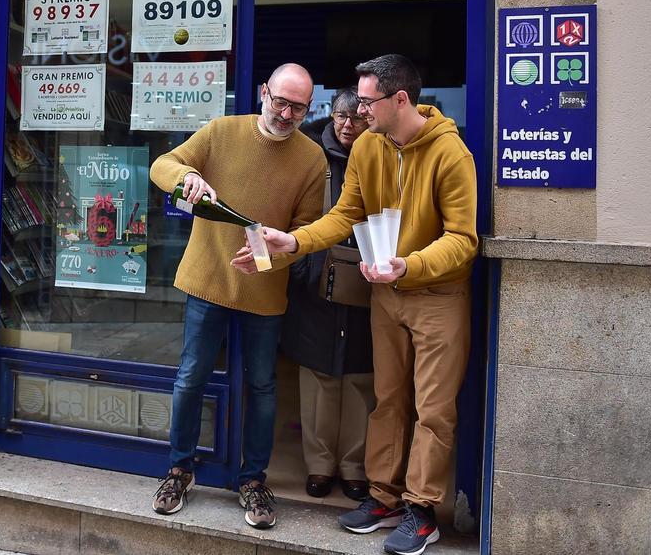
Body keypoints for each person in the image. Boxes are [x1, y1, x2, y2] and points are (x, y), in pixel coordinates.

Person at [233, 55, 477, 555]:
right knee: (388, 400)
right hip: (386, 295)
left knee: (433, 409)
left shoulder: (452, 154)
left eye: (367, 101)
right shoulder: (368, 146)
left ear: (400, 100)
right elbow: (346, 214)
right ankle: (385, 496)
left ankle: (422, 510)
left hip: (436, 296)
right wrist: (295, 242)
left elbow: (463, 239)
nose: (358, 109)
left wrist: (409, 266)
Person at [148, 63, 327, 530]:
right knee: (190, 378)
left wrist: (271, 256)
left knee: (263, 387)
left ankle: (252, 480)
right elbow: (161, 165)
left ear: (309, 108)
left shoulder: (312, 159)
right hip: (207, 281)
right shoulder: (222, 130)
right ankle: (179, 470)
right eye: (280, 100)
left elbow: (306, 233)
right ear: (263, 92)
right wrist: (185, 179)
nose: (286, 113)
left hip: (265, 288)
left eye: (298, 107)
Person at [279, 88, 374, 502]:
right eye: (341, 117)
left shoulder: (384, 154)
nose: (348, 125)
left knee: (360, 376)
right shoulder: (309, 154)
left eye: (357, 117)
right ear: (330, 115)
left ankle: (355, 467)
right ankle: (319, 465)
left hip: (369, 278)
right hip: (316, 279)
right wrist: (301, 268)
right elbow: (287, 208)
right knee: (317, 374)